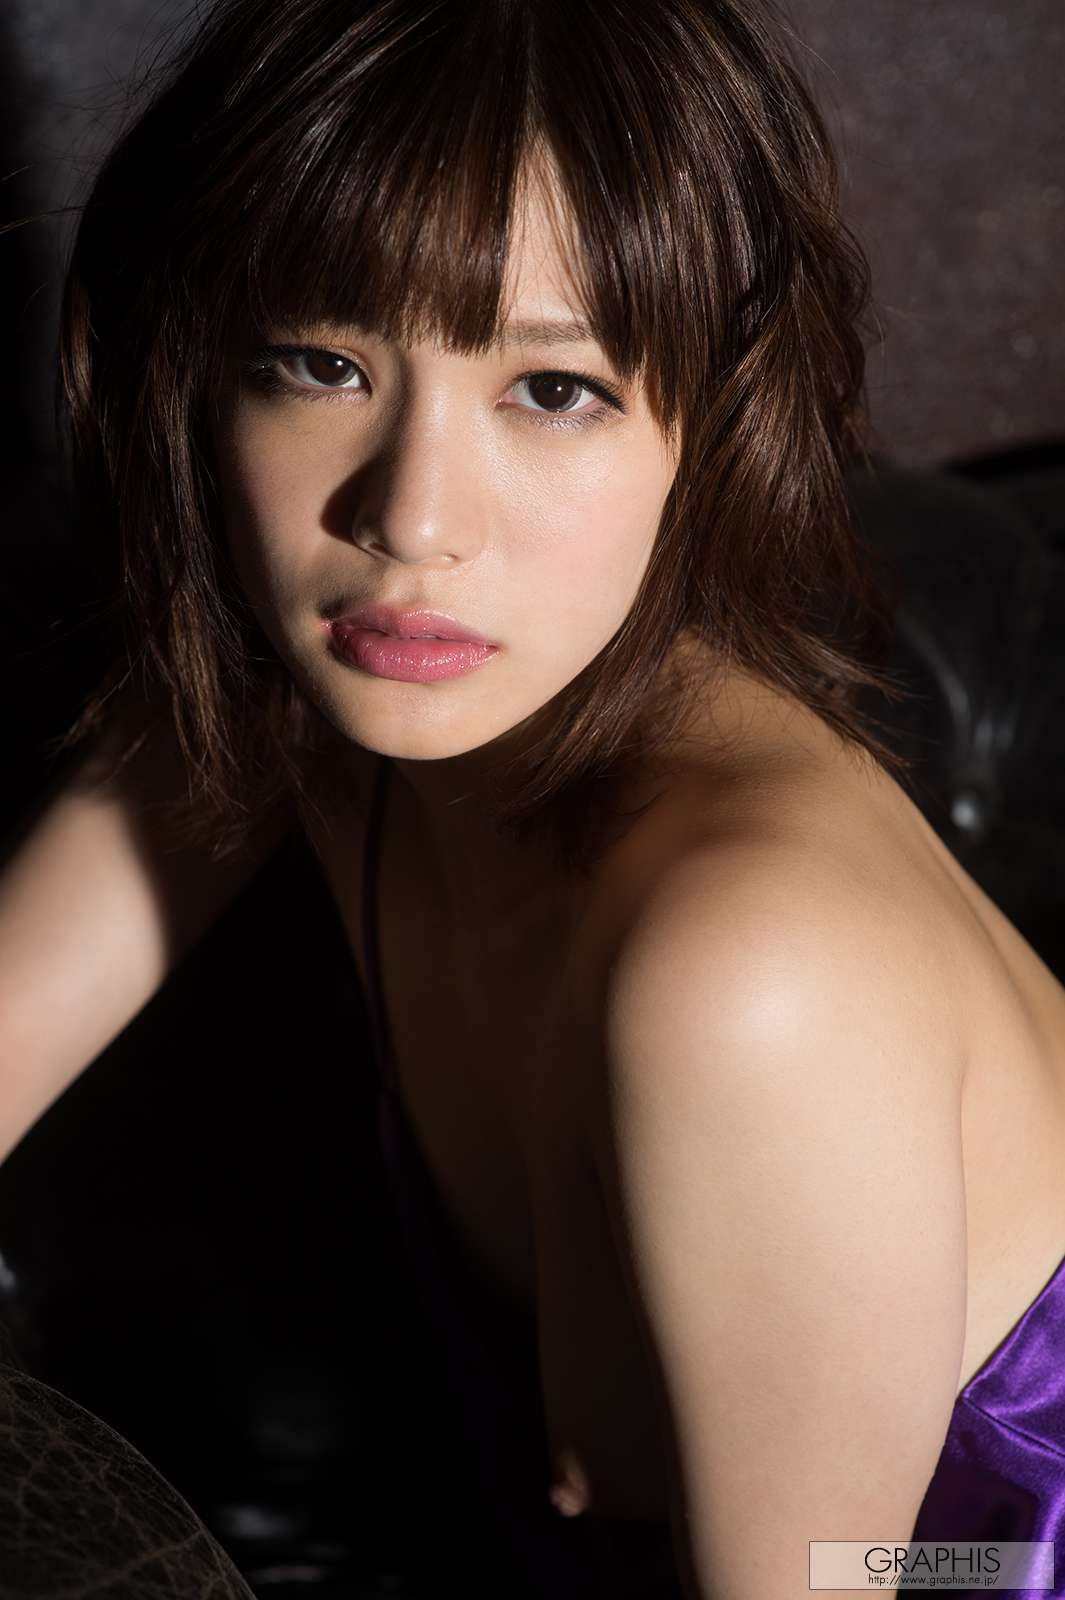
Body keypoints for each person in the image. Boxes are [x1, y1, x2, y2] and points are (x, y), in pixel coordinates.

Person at [3, 0, 1064, 1596]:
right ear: (200, 383)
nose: (412, 520)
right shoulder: (307, 707)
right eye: (320, 364)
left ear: (715, 425)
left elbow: (863, 1578)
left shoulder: (759, 968)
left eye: (553, 389)